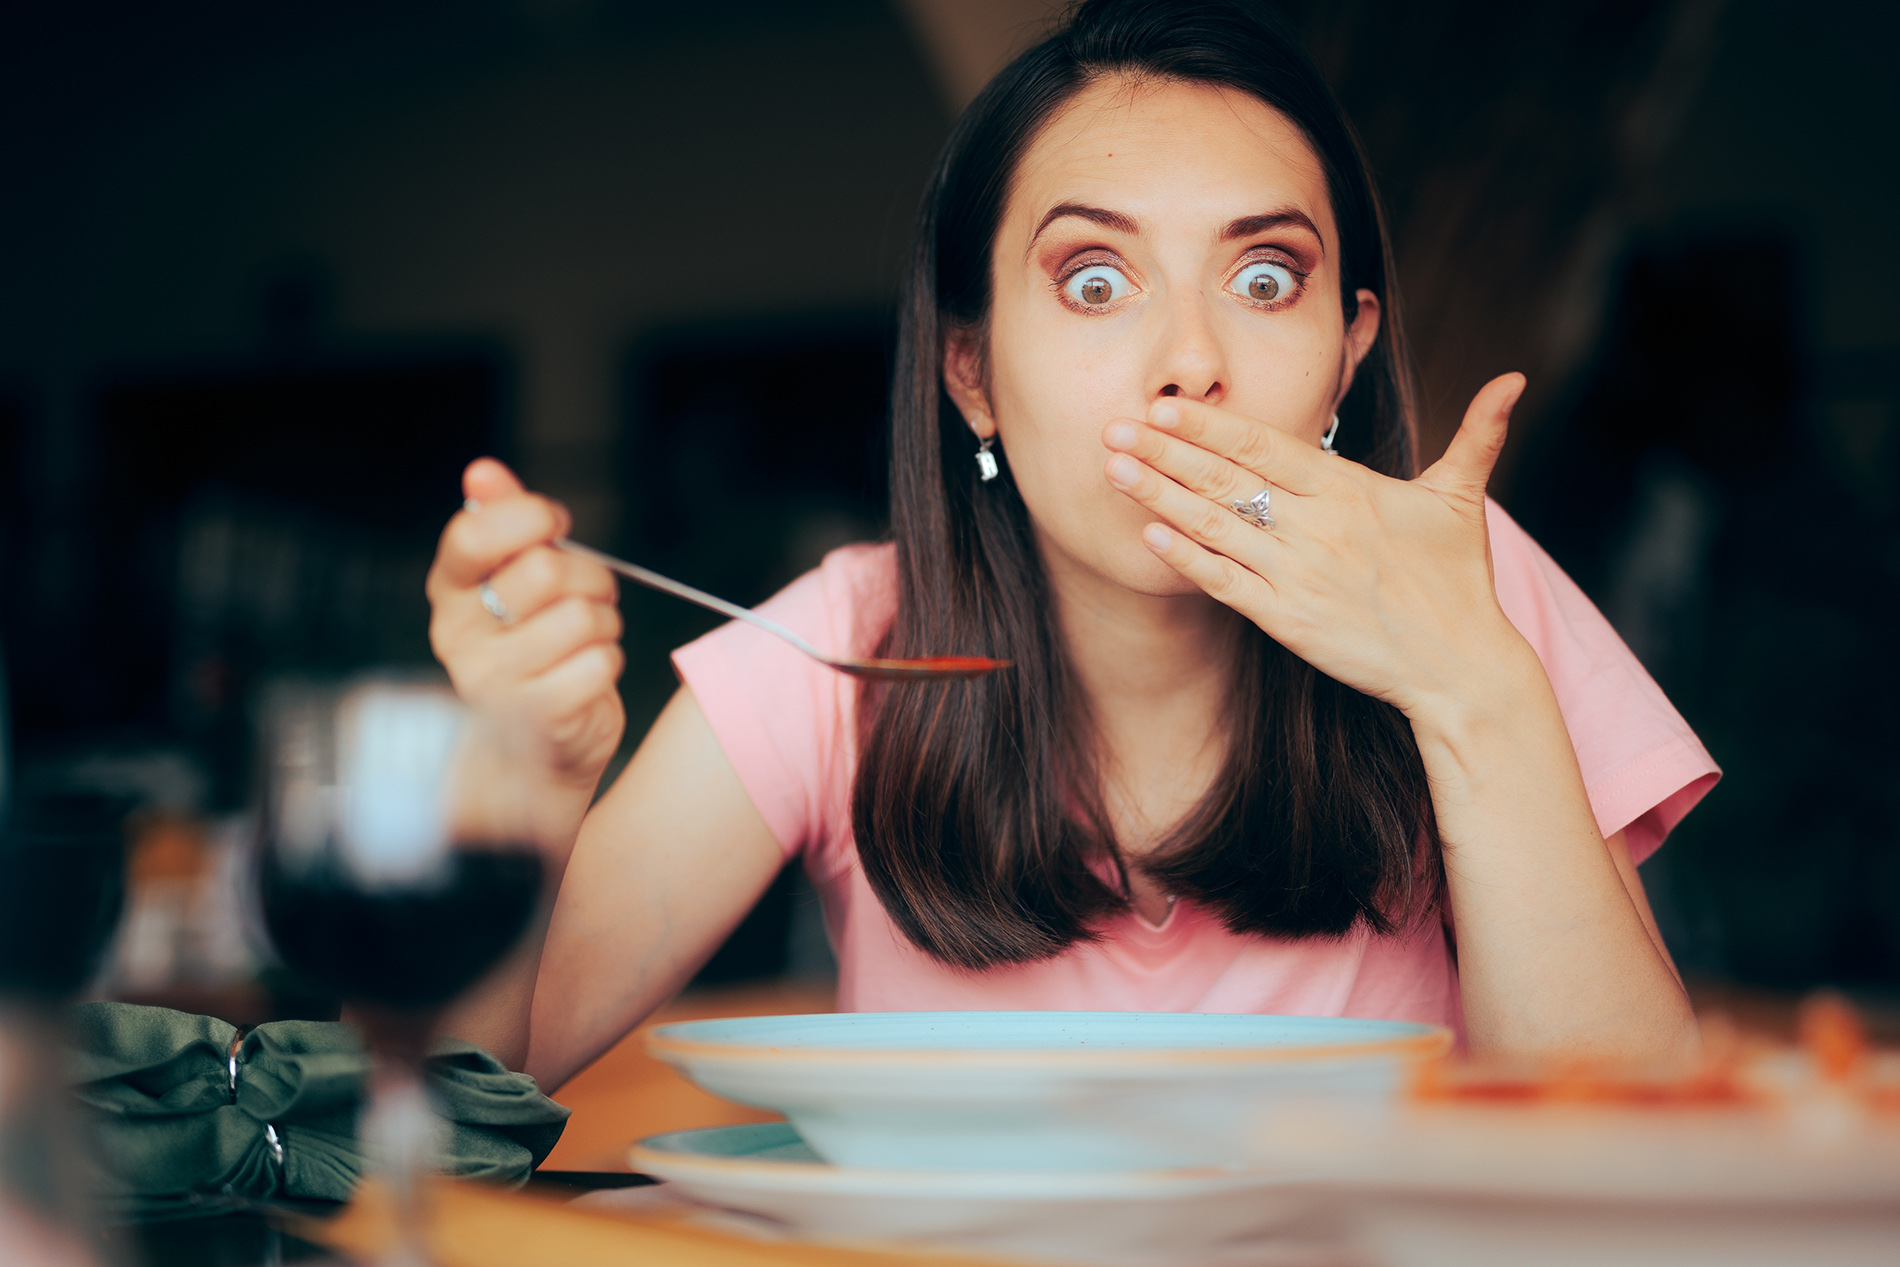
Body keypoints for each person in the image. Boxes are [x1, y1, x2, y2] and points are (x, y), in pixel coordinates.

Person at [428, 0, 1718, 1093]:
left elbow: (1639, 1165)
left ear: (1348, 354)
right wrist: (528, 792)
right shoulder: (843, 645)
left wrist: (1470, 687)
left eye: (1265, 278)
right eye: (1095, 281)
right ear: (973, 373)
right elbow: (448, 1098)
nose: (1192, 368)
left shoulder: (1463, 583)